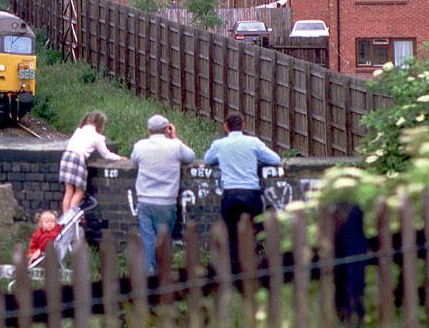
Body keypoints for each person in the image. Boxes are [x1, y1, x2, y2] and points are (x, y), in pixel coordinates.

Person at [203, 111, 282, 272]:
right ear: (243, 126)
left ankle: (234, 269)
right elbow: (275, 159)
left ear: (226, 127)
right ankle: (253, 267)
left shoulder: (219, 145)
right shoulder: (253, 142)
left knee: (231, 234)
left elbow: (207, 160)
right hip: (251, 194)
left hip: (230, 194)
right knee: (254, 233)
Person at [130, 113, 196, 274]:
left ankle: (150, 272)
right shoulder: (175, 146)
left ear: (149, 129)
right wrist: (174, 137)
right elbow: (191, 156)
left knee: (147, 240)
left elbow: (133, 159)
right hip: (167, 201)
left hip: (145, 200)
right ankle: (163, 273)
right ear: (167, 129)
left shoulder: (140, 146)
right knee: (165, 240)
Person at [59, 110, 124, 217]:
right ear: (100, 124)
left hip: (66, 156)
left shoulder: (78, 131)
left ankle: (64, 218)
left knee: (69, 191)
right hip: (77, 158)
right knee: (79, 191)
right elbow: (106, 154)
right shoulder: (97, 137)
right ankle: (70, 219)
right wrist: (119, 158)